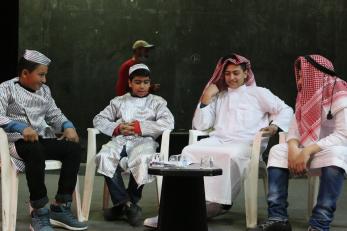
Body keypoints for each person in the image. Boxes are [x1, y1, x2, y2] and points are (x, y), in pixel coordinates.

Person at [143, 53, 293, 229]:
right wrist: (206, 98)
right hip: (218, 140)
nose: (231, 77)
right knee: (189, 152)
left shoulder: (259, 93)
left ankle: (215, 205)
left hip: (246, 144)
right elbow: (200, 125)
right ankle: (179, 209)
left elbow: (285, 110)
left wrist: (274, 127)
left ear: (246, 73)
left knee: (230, 155)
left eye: (236, 73)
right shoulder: (219, 96)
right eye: (227, 73)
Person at [253, 55, 347, 231]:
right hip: (309, 151)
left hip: (332, 151)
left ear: (317, 73)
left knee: (337, 153)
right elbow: (294, 131)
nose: (301, 80)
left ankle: (320, 223)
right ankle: (278, 218)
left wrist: (306, 151)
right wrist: (294, 149)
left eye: (304, 75)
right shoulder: (303, 96)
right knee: (277, 151)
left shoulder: (340, 93)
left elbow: (343, 135)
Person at [0, 50, 87, 231]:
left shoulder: (45, 91)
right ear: (25, 73)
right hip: (15, 142)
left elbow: (54, 114)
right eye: (41, 75)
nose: (44, 80)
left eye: (45, 75)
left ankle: (60, 206)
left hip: (40, 140)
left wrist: (67, 125)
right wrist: (20, 127)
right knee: (35, 149)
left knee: (73, 149)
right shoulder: (6, 88)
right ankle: (38, 212)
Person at [93, 63, 174, 226]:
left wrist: (141, 127)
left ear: (150, 83)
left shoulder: (157, 102)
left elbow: (168, 122)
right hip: (120, 140)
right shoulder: (118, 101)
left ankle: (122, 205)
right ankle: (129, 205)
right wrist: (117, 127)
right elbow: (98, 119)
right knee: (104, 157)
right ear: (130, 83)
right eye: (137, 82)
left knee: (143, 159)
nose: (142, 86)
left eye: (146, 82)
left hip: (144, 141)